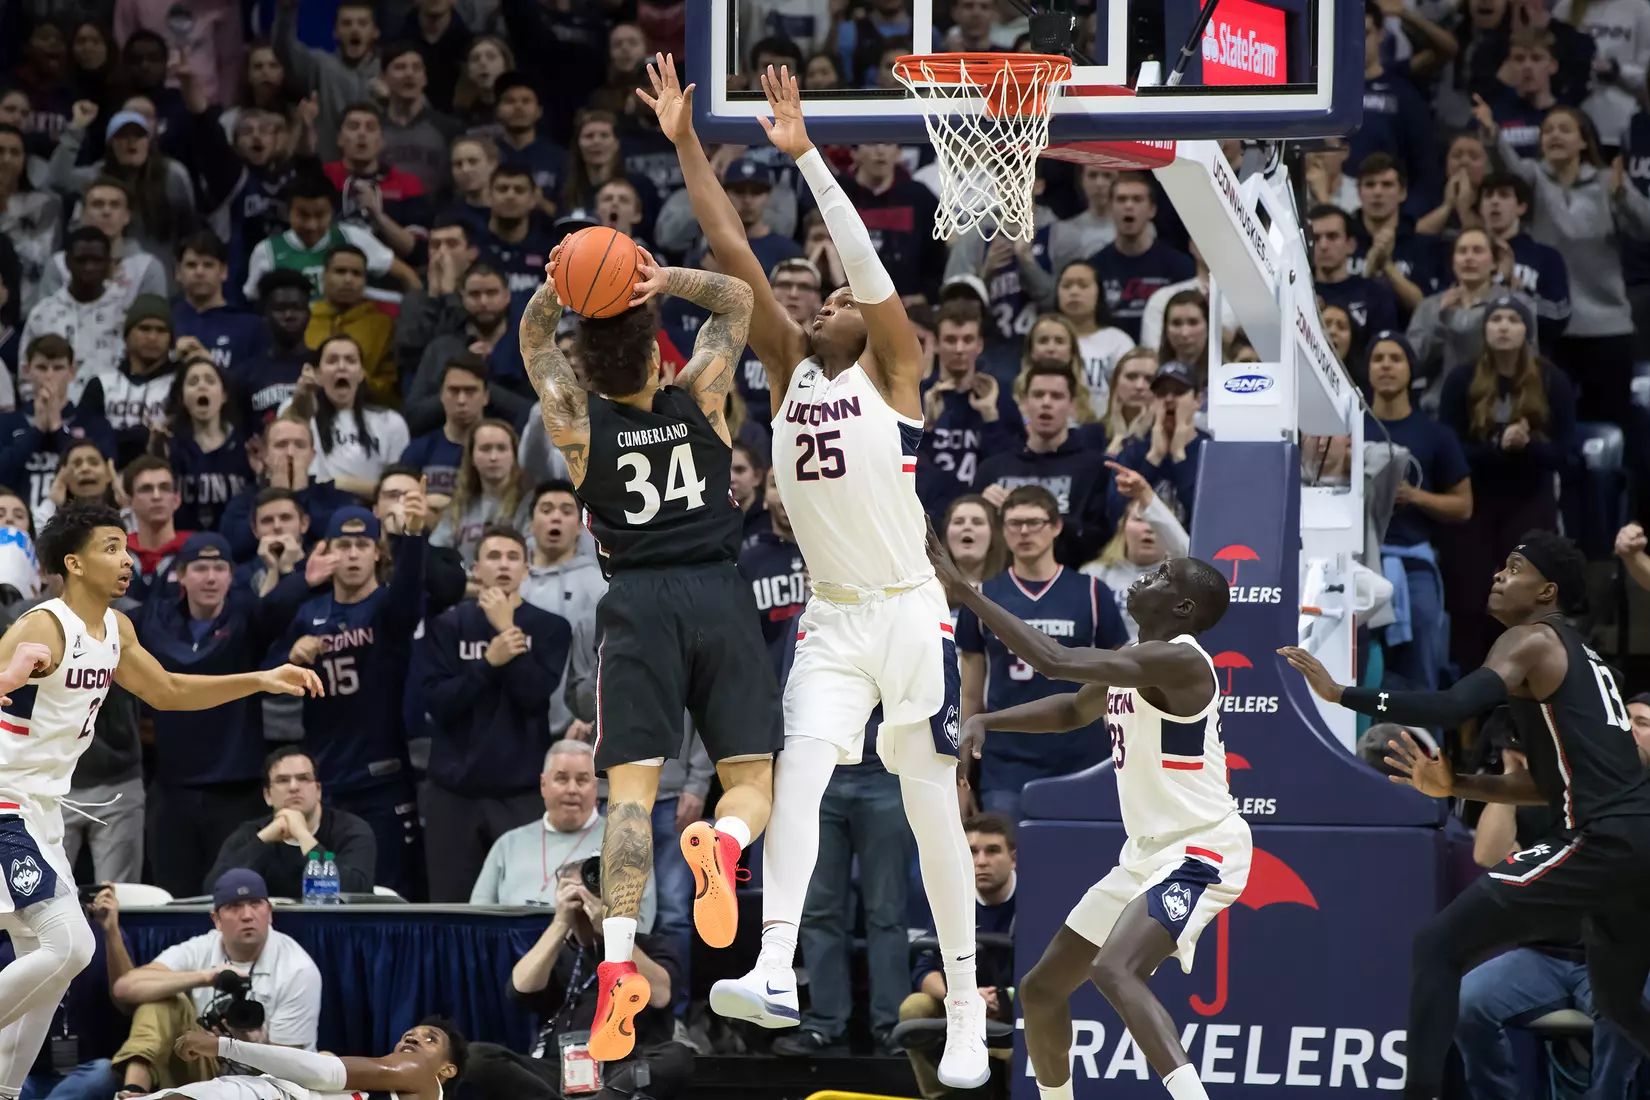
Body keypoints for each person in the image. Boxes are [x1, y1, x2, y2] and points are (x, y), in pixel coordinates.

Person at [648, 57, 988, 1086]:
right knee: (797, 765)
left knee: (933, 808)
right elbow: (727, 245)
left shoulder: (895, 368)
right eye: (824, 292)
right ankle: (778, 965)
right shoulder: (790, 370)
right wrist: (684, 140)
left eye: (841, 291)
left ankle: (967, 1009)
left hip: (908, 611)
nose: (830, 292)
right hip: (835, 618)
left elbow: (874, 277)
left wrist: (810, 164)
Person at [519, 210, 779, 1058]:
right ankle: (725, 844)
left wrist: (564, 279)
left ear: (585, 361)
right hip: (719, 591)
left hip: (636, 605)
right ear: (658, 345)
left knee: (629, 800)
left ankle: (620, 967)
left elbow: (534, 342)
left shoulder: (574, 420)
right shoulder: (702, 392)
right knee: (749, 785)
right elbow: (737, 298)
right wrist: (659, 278)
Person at [1279, 530, 1650, 1100]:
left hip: (1605, 840)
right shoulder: (1584, 660)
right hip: (1634, 844)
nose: (1499, 576)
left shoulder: (1531, 641)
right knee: (1623, 1005)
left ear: (1547, 590)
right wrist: (1459, 783)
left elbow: (1454, 705)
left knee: (1436, 945)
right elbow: (1545, 785)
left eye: (1514, 566)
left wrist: (1343, 694)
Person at [0, 501, 320, 1099]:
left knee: (45, 968)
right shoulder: (40, 625)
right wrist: (10, 675)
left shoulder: (116, 628)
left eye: (126, 547)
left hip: (40, 810)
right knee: (70, 946)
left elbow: (169, 691)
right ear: (73, 562)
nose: (126, 560)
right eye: (110, 548)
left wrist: (260, 678)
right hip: (3, 804)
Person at [933, 531, 1242, 1100]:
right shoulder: (1134, 660)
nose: (1144, 576)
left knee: (1115, 969)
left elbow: (1054, 660)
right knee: (1042, 990)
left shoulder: (1177, 660)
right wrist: (989, 722)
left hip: (1204, 848)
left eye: (1162, 576)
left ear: (1182, 608)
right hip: (1147, 853)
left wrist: (968, 595)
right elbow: (1073, 708)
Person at [275, 500, 428, 897]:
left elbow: (410, 595)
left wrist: (411, 535)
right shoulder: (307, 614)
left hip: (383, 775)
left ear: (378, 552)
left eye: (363, 544)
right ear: (327, 553)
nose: (354, 554)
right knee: (327, 888)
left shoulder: (388, 607)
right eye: (343, 545)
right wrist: (291, 657)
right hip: (328, 777)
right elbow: (265, 665)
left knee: (390, 888)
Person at [958, 485, 1129, 820]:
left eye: (1034, 522)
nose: (1024, 532)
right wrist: (960, 773)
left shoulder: (1093, 592)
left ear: (1056, 526)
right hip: (1007, 761)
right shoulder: (982, 597)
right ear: (1001, 529)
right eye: (1014, 523)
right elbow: (971, 694)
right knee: (1009, 859)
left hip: (1084, 757)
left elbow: (1121, 682)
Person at [422, 526, 571, 902]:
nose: (503, 565)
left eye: (512, 557)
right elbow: (438, 703)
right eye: (493, 557)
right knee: (453, 907)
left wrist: (507, 628)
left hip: (520, 791)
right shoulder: (447, 626)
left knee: (523, 902)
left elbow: (534, 695)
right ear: (476, 569)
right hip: (454, 792)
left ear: (526, 569)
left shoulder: (551, 627)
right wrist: (488, 663)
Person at [463, 863, 686, 1100]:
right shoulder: (554, 953)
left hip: (622, 1069)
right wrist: (560, 922)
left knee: (676, 1057)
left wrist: (613, 932)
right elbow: (520, 990)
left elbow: (660, 996)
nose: (591, 897)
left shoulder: (651, 946)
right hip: (558, 1070)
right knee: (476, 1057)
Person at [468, 741, 658, 931]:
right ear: (543, 784)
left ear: (595, 787)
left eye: (582, 780)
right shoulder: (508, 844)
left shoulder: (626, 843)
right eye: (562, 779)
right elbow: (476, 919)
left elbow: (641, 926)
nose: (572, 789)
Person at [900, 813, 1018, 1099]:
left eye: (992, 850)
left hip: (1017, 1006)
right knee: (914, 1009)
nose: (980, 861)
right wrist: (965, 1000)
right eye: (971, 852)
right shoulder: (950, 896)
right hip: (963, 1004)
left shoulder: (1037, 897)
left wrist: (1003, 998)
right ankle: (943, 1097)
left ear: (1014, 858)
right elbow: (924, 969)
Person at [205, 746, 376, 898]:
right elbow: (213, 891)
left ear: (318, 791)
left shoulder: (351, 830)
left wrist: (302, 835)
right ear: (268, 795)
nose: (294, 787)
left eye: (303, 778)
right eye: (282, 780)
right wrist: (263, 839)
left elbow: (356, 891)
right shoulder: (250, 834)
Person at [157, 1017, 465, 1100]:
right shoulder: (385, 1082)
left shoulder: (420, 1073)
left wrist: (223, 1045)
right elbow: (322, 1071)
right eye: (409, 1033)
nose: (412, 1038)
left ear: (447, 1069)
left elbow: (326, 1073)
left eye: (429, 1039)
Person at [518, 480, 606, 741]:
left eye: (566, 511)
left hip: (577, 728)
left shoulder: (599, 588)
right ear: (531, 523)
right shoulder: (512, 581)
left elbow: (607, 660)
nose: (556, 517)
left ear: (580, 526)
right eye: (546, 510)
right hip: (512, 723)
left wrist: (588, 712)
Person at [237, 271, 314, 429]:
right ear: (265, 315)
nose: (289, 315)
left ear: (309, 314)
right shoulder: (245, 375)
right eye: (280, 308)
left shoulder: (323, 366)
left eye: (297, 308)